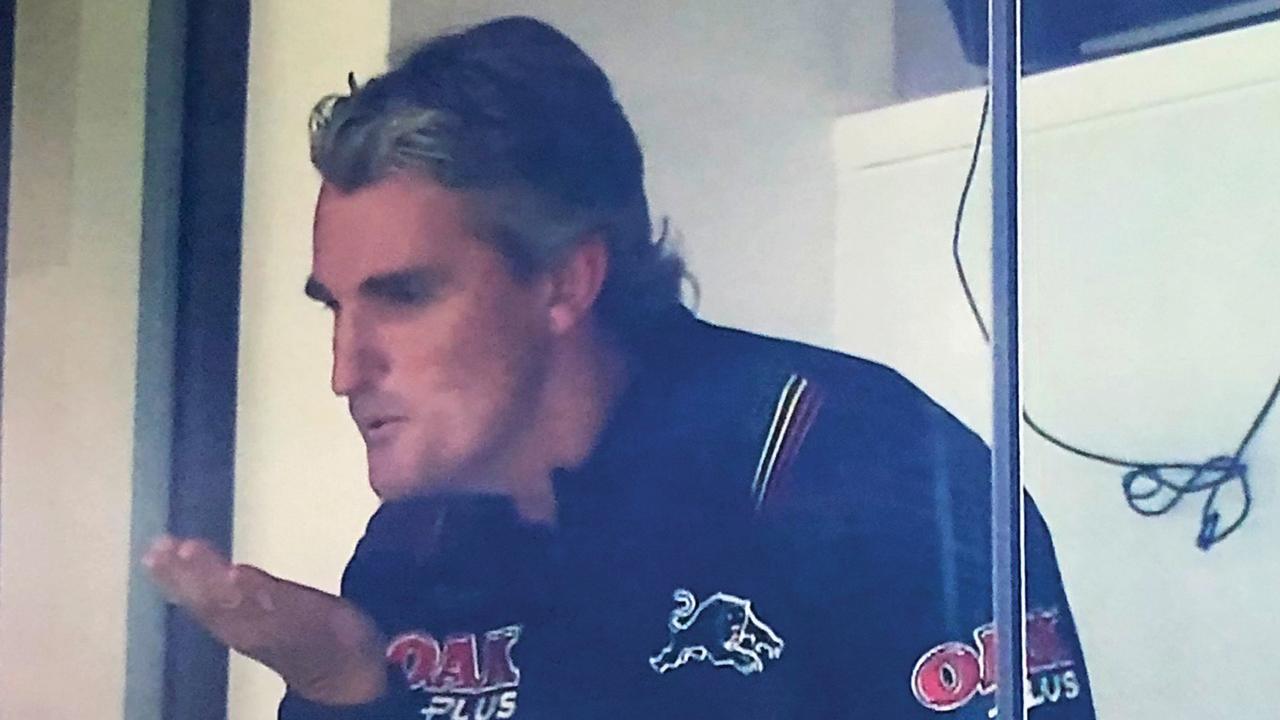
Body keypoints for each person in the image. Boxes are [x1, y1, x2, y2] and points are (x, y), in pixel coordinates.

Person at [144, 15, 1096, 719]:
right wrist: (340, 681)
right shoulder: (420, 537)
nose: (346, 370)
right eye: (335, 307)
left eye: (403, 296)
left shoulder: (864, 471)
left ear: (564, 282)